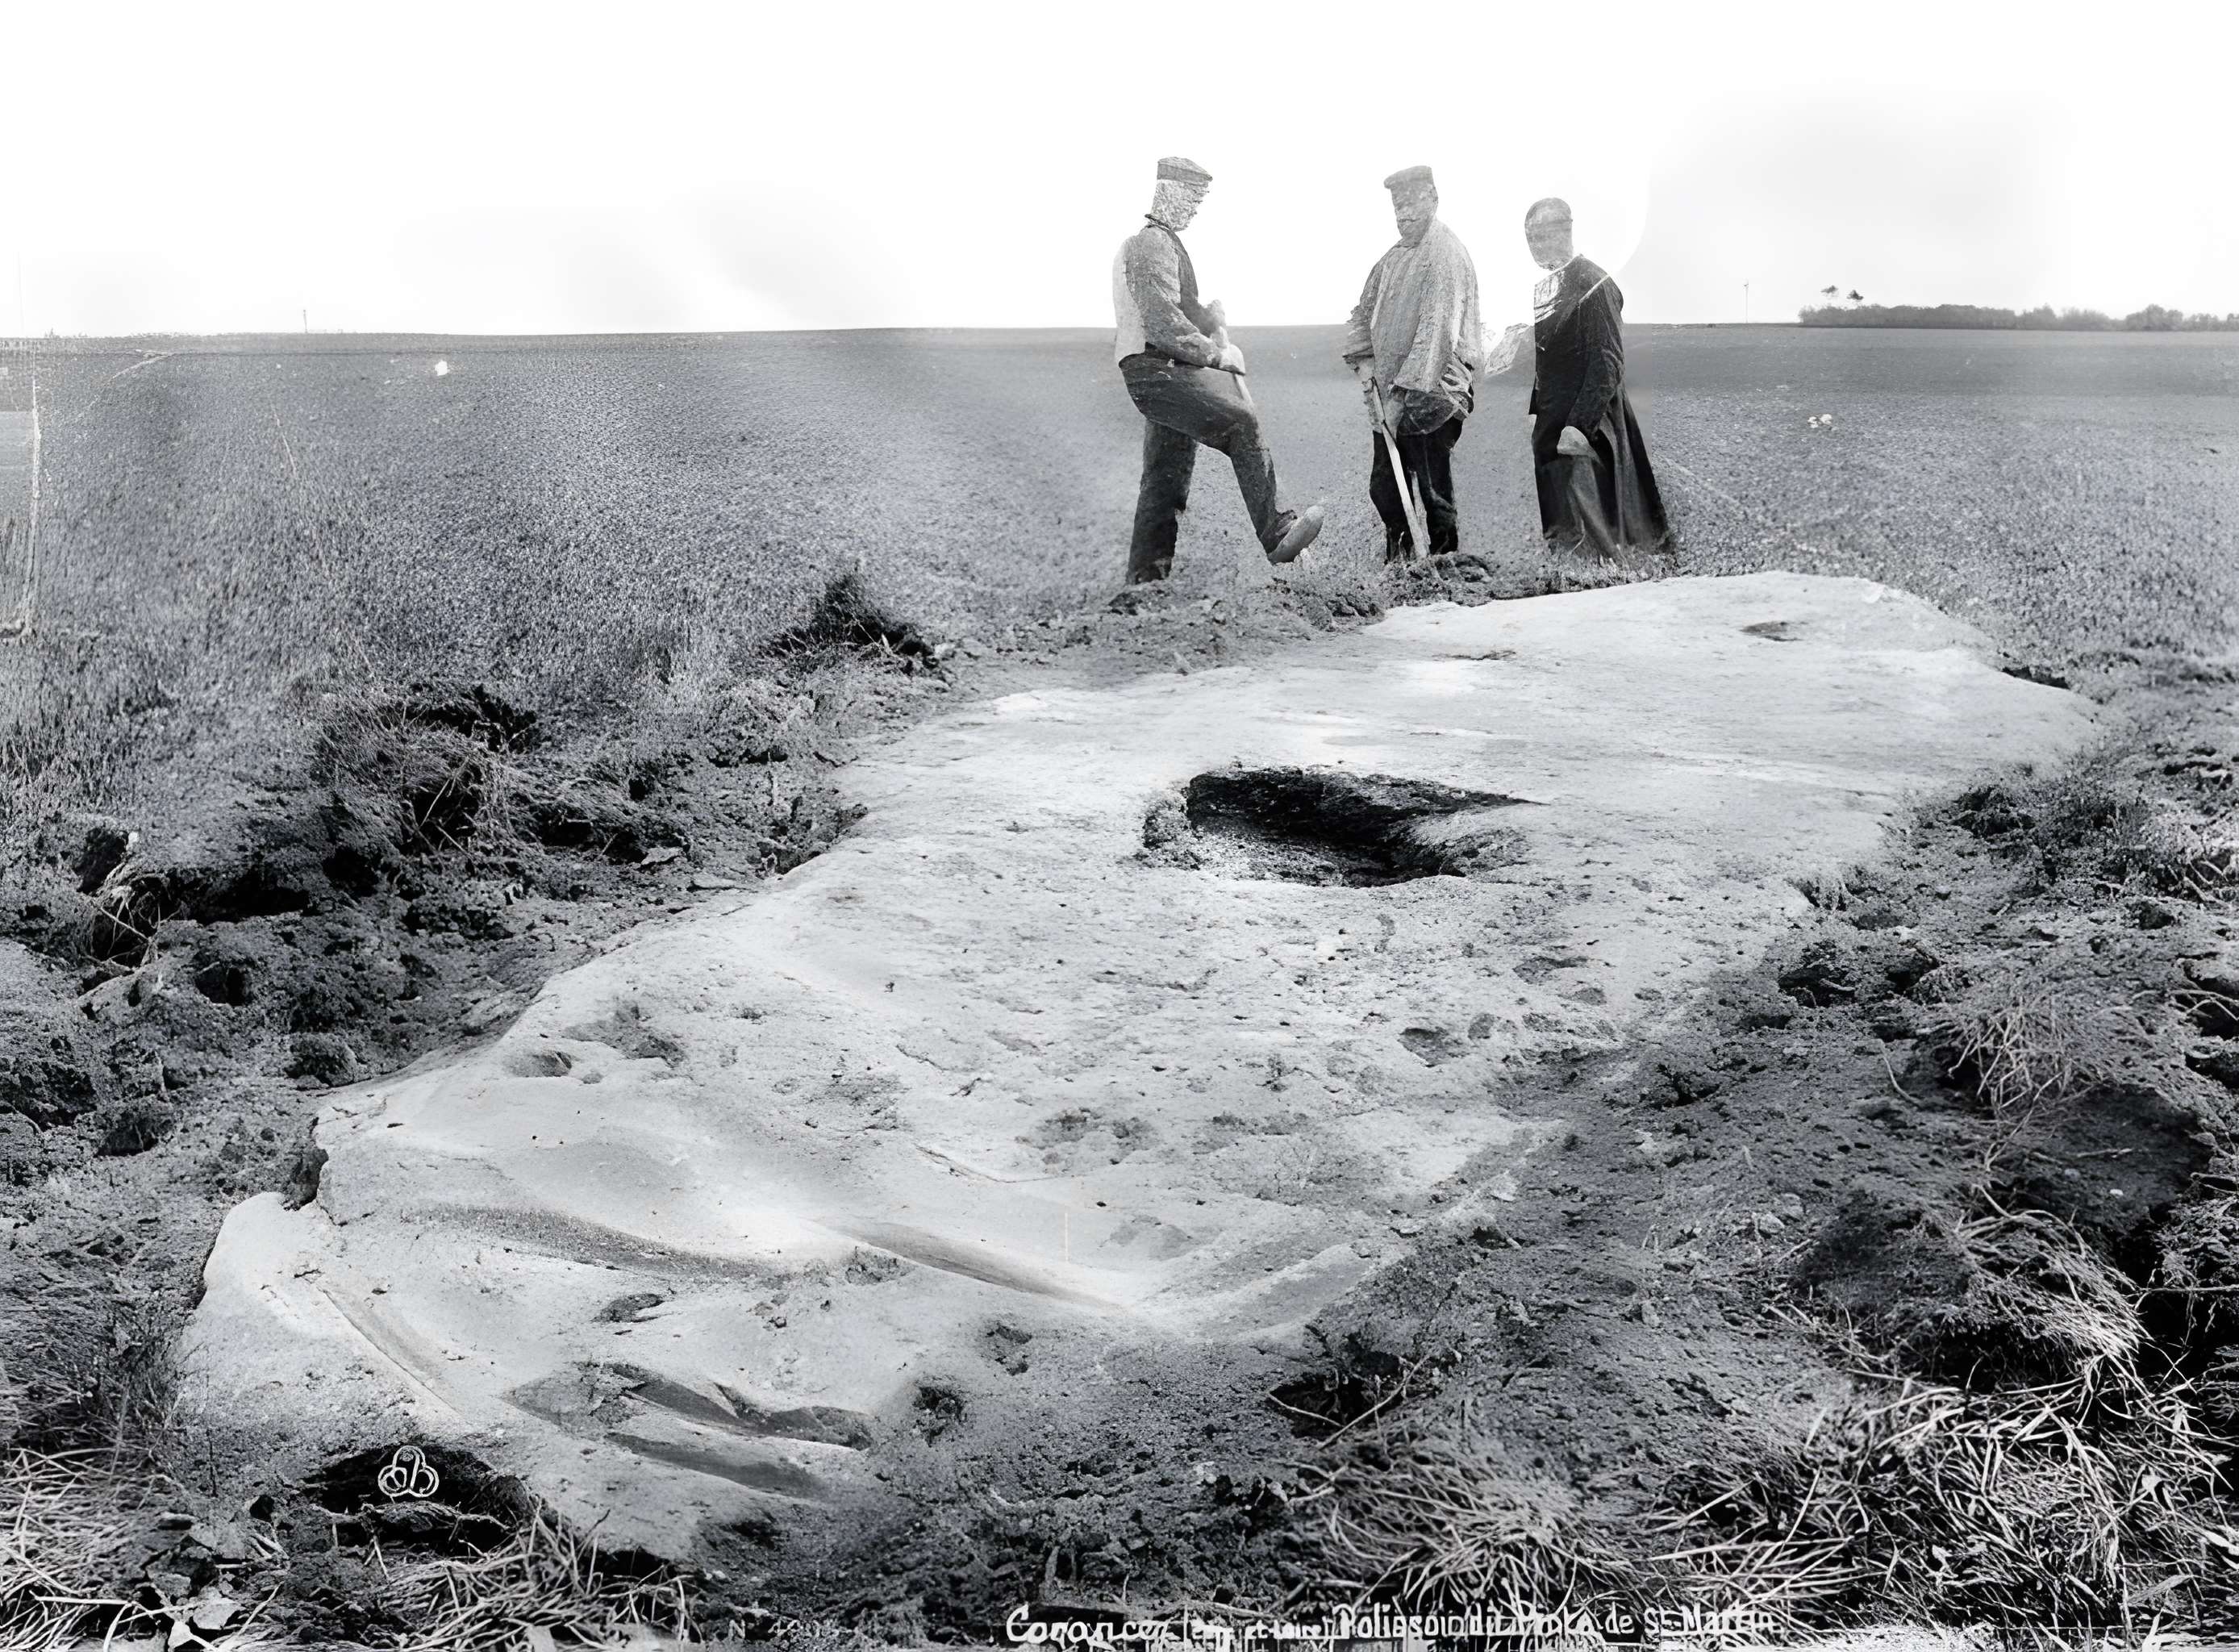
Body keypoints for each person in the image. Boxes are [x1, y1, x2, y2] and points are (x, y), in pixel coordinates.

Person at [1111, 156, 1324, 585]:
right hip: (1157, 372)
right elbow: (1161, 319)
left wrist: (1209, 317)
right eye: (1190, 197)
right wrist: (1215, 354)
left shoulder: (1166, 245)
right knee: (1240, 424)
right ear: (1168, 192)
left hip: (1163, 372)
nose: (1193, 208)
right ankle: (1276, 531)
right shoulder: (1150, 243)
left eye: (1198, 201)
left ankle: (1145, 585)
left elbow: (1181, 309)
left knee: (1164, 482)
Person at [1342, 165, 1482, 562]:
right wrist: (1364, 361)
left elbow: (1435, 335)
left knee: (1434, 493)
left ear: (1433, 199)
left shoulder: (1446, 255)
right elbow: (1361, 312)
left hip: (1435, 397)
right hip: (1390, 397)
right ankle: (1402, 565)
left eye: (1411, 205)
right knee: (1385, 487)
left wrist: (1399, 399)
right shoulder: (1392, 259)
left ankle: (1444, 567)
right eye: (1397, 207)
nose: (1403, 215)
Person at [1523, 197, 1671, 561]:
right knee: (1564, 522)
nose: (1536, 246)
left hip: (1590, 424)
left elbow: (1607, 362)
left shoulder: (1592, 281)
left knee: (1597, 521)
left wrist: (1579, 427)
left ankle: (1610, 582)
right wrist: (1538, 410)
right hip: (1554, 422)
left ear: (1566, 232)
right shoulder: (1547, 288)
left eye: (1544, 236)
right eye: (1531, 239)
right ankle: (1571, 576)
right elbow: (1551, 357)